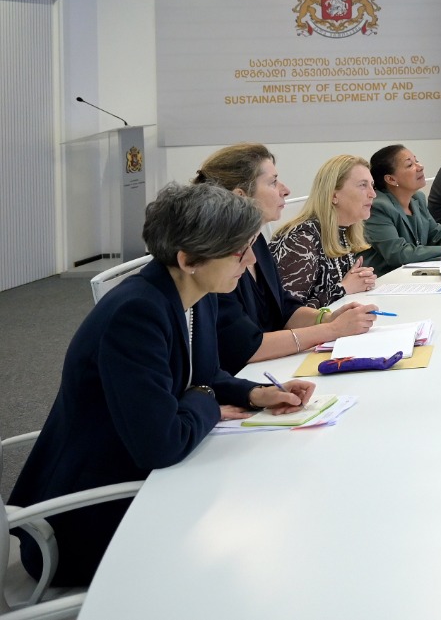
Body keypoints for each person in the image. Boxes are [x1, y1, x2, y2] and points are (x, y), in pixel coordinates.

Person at [8, 183, 314, 586]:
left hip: (140, 480)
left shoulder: (198, 292)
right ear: (189, 259)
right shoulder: (135, 314)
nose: (251, 259)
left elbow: (204, 375)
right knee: (253, 544)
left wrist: (254, 394)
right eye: (239, 251)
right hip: (88, 518)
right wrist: (206, 402)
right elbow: (163, 442)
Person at [194, 143, 377, 372]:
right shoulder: (215, 259)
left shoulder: (257, 242)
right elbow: (245, 346)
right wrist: (332, 330)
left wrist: (328, 318)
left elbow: (286, 309)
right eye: (273, 182)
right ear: (241, 196)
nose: (286, 190)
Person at [271, 154, 379, 308]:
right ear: (334, 195)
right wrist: (343, 288)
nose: (373, 194)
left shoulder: (342, 232)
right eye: (363, 185)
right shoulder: (301, 239)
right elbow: (288, 312)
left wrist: (360, 281)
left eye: (372, 185)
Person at [366, 143, 441, 273]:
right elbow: (397, 253)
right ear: (391, 179)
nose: (420, 167)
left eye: (416, 161)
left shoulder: (418, 198)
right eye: (410, 165)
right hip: (386, 278)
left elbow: (436, 234)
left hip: (413, 273)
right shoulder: (378, 207)